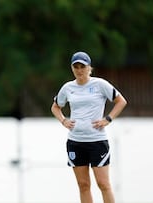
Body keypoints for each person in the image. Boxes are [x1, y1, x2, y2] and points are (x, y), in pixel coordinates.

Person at [51, 51, 127, 203]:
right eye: (76, 67)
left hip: (97, 141)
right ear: (72, 68)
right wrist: (63, 120)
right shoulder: (68, 88)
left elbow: (121, 101)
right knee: (83, 185)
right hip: (75, 141)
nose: (79, 70)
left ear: (89, 68)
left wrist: (108, 119)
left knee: (103, 184)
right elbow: (55, 107)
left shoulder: (100, 84)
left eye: (82, 67)